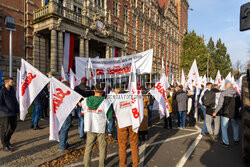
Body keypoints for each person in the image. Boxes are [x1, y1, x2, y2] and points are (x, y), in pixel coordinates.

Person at [81, 83, 113, 167]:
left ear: (94, 90)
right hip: (101, 128)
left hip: (90, 127)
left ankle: (86, 165)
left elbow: (82, 112)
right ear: (102, 92)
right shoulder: (106, 102)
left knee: (88, 149)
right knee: (102, 149)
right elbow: (110, 116)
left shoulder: (85, 101)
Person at [113, 83, 139, 167]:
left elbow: (115, 110)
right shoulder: (131, 95)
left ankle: (123, 164)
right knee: (134, 145)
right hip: (132, 122)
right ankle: (135, 164)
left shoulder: (116, 98)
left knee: (122, 146)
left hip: (122, 123)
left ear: (117, 90)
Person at [214, 82, 241, 147]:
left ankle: (226, 142)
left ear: (226, 86)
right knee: (235, 125)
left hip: (225, 112)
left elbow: (220, 104)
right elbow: (239, 104)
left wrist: (215, 112)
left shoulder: (223, 93)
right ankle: (236, 140)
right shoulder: (237, 93)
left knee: (224, 127)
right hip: (234, 112)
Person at [0, 77, 19, 151]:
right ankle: (4, 144)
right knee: (4, 129)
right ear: (6, 82)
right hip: (6, 113)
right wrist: (7, 110)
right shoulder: (2, 91)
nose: (13, 83)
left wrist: (17, 109)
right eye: (12, 82)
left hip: (13, 112)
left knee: (13, 126)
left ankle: (7, 140)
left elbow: (15, 100)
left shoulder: (12, 90)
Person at [59, 81, 73, 153]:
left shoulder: (59, 94)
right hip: (66, 114)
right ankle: (62, 147)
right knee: (64, 130)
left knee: (65, 130)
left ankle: (65, 143)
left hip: (62, 114)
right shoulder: (67, 94)